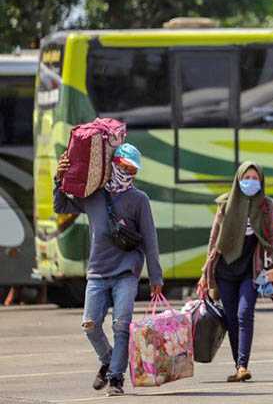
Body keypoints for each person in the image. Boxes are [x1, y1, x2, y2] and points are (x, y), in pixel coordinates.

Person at [54, 143, 163, 397]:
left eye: (133, 170)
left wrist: (156, 276)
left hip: (127, 273)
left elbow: (150, 239)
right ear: (114, 163)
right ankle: (109, 359)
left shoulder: (139, 199)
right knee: (90, 325)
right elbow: (61, 206)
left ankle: (116, 377)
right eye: (124, 167)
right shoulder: (93, 195)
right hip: (97, 273)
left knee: (121, 325)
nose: (128, 174)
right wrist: (58, 178)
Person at [198, 161, 273, 382]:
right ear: (238, 179)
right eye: (247, 178)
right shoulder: (225, 204)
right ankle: (239, 367)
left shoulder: (266, 205)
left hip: (250, 269)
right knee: (231, 318)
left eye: (255, 179)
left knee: (244, 313)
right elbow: (214, 239)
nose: (251, 182)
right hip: (225, 270)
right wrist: (204, 274)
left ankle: (243, 364)